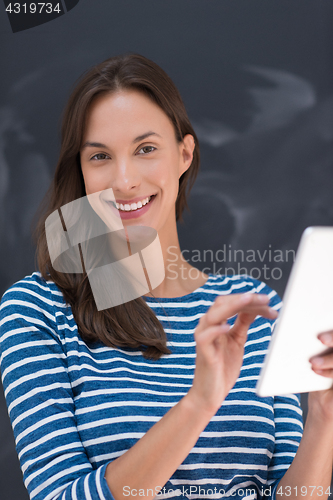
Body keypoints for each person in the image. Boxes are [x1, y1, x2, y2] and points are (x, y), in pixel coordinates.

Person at [0, 53, 332, 500]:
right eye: (100, 156)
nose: (123, 179)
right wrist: (199, 403)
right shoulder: (37, 310)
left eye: (146, 149)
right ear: (81, 171)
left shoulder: (250, 304)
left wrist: (324, 418)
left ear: (184, 153)